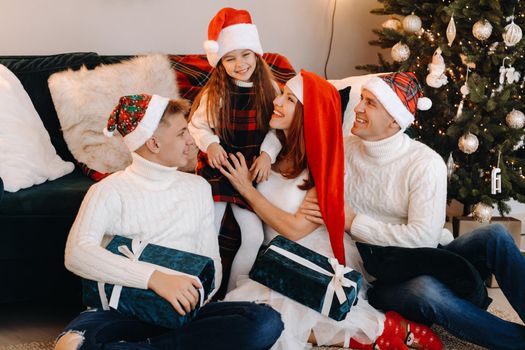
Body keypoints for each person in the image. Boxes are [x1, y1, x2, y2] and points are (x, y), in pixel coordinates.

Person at [219, 71, 442, 350]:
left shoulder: (320, 163)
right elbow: (274, 137)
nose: (276, 101)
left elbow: (296, 228)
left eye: (289, 98)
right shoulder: (269, 150)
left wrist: (247, 190)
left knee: (276, 310)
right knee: (245, 312)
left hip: (312, 249)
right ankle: (370, 338)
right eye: (281, 94)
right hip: (277, 251)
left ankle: (378, 329)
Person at [301, 72, 525, 350]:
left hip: (429, 258)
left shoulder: (424, 163)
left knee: (495, 235)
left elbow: (423, 240)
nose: (357, 108)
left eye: (370, 103)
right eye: (361, 99)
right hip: (378, 278)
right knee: (426, 290)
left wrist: (353, 222)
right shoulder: (343, 151)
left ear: (394, 120)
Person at [55, 94, 283, 350]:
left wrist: (195, 294)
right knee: (72, 344)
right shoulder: (109, 190)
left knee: (265, 321)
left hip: (184, 312)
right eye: (182, 133)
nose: (191, 140)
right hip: (123, 310)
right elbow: (77, 253)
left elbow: (212, 263)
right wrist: (156, 279)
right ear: (153, 143)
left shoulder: (198, 187)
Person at [188, 7, 282, 292]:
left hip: (249, 171)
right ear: (221, 63)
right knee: (210, 229)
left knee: (253, 236)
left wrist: (267, 154)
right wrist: (211, 144)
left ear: (256, 54)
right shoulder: (215, 93)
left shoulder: (271, 89)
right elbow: (197, 125)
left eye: (245, 54)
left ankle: (232, 293)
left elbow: (278, 129)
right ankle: (206, 290)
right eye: (230, 58)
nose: (239, 63)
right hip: (219, 167)